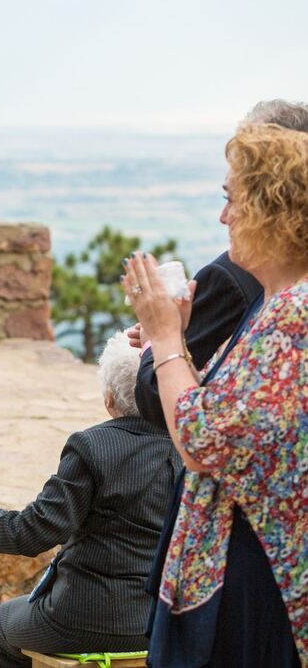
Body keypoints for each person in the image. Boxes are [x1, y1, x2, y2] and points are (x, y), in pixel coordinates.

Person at [124, 123, 307, 666]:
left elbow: (201, 442)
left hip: (257, 573)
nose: (224, 217)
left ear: (274, 210)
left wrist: (164, 338)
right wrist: (175, 341)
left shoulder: (294, 314)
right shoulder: (277, 305)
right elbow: (234, 418)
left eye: (233, 200)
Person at [0, 330, 179, 667]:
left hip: (81, 618)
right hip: (162, 621)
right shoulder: (188, 447)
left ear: (109, 399)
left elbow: (33, 533)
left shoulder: (92, 446)